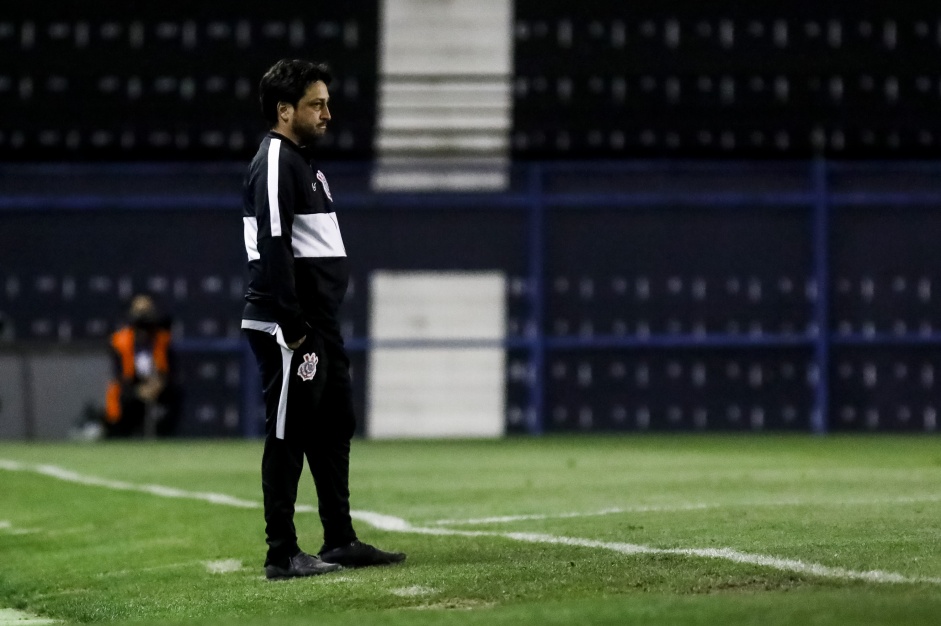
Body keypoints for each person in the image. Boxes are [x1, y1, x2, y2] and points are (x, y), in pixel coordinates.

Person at [241, 58, 406, 580]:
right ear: (284, 110)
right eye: (317, 104)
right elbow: (272, 240)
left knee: (335, 424)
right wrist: (291, 321)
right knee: (288, 431)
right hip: (291, 322)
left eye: (327, 103)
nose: (327, 113)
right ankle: (281, 552)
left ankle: (339, 538)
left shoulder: (303, 161)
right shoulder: (275, 160)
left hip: (319, 323)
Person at [104, 294, 181, 437]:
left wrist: (158, 384)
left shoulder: (162, 338)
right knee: (121, 395)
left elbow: (170, 370)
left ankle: (164, 435)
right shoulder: (120, 340)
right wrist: (139, 391)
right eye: (139, 310)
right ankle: (119, 433)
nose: (143, 316)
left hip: (156, 384)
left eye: (146, 310)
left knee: (176, 393)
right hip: (131, 385)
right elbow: (119, 374)